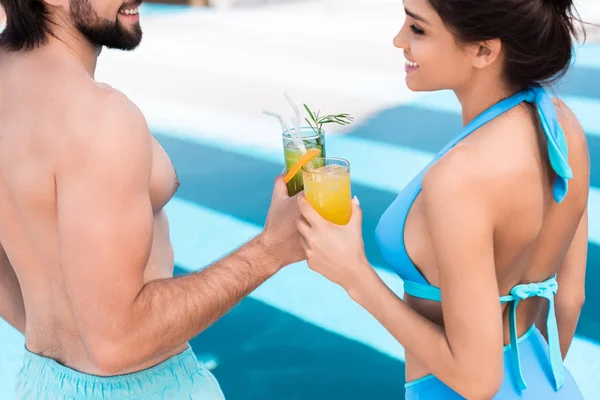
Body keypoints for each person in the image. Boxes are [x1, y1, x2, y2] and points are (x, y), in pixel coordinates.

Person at [0, 0, 304, 398]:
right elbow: (116, 345)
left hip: (37, 383)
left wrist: (64, 338)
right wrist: (271, 249)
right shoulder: (98, 116)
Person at [296, 0, 590, 398]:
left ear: (484, 50)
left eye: (418, 30)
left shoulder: (459, 178)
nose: (399, 39)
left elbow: (477, 382)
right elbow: (571, 298)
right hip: (549, 383)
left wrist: (354, 275)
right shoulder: (561, 125)